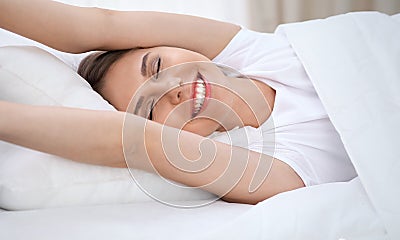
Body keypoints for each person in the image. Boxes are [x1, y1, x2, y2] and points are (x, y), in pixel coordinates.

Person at [0, 0, 357, 204]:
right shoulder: (276, 165)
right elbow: (137, 143)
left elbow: (99, 25)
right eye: (152, 109)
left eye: (156, 66)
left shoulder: (253, 51)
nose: (173, 89)